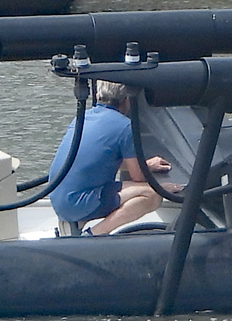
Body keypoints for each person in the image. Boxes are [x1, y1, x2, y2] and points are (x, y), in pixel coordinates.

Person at [47, 82, 175, 235]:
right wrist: (162, 188)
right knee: (152, 195)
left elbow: (100, 160)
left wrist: (147, 164)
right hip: (78, 203)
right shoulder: (125, 127)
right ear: (127, 100)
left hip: (58, 199)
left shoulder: (81, 118)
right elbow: (138, 177)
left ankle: (77, 223)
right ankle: (93, 235)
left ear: (97, 96)